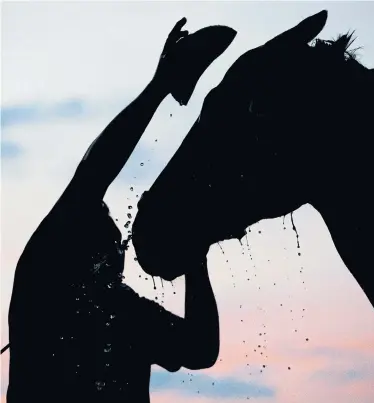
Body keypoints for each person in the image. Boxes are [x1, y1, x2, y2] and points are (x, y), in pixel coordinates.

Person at [7, 18, 220, 403]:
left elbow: (201, 349)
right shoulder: (44, 286)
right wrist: (159, 87)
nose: (119, 239)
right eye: (104, 223)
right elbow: (93, 174)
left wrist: (197, 253)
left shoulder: (124, 312)